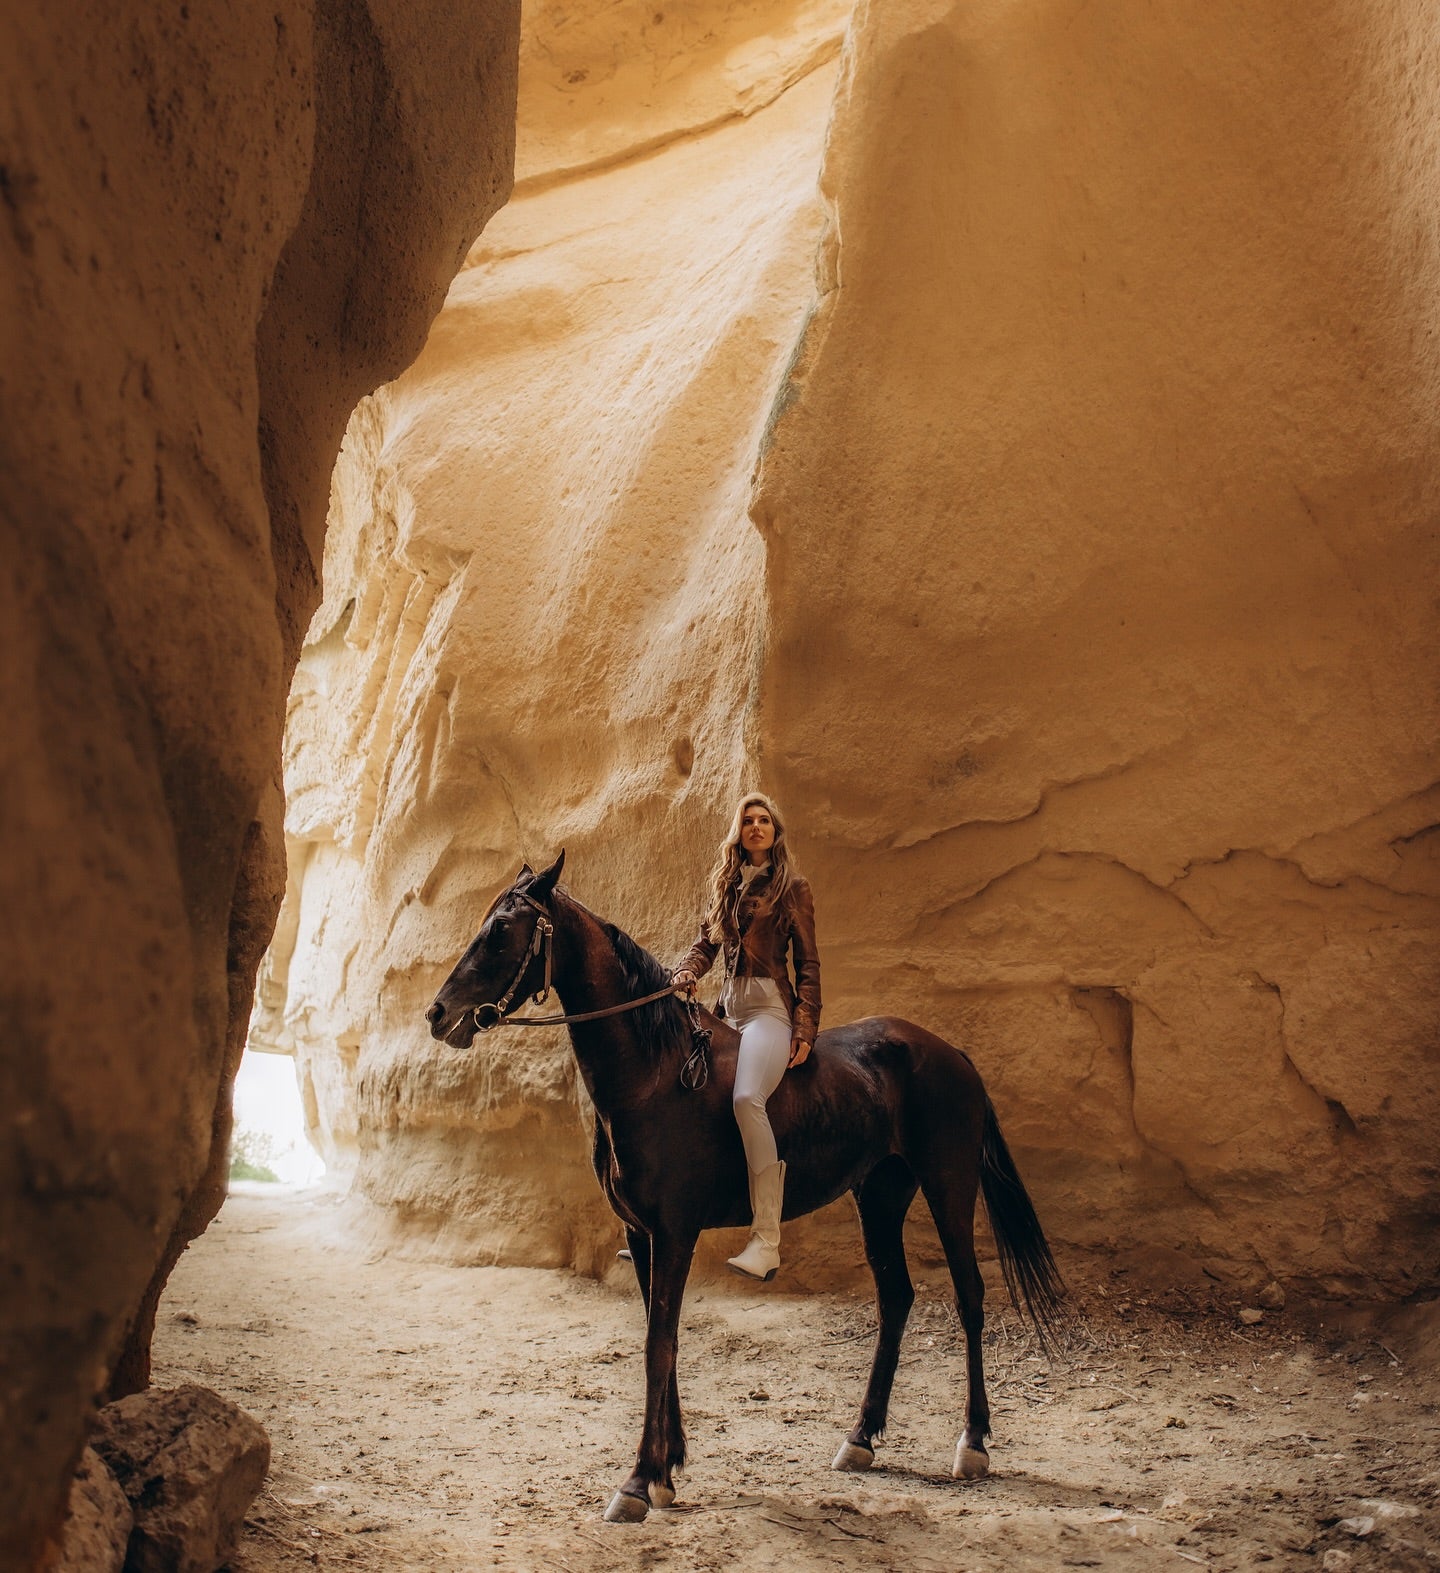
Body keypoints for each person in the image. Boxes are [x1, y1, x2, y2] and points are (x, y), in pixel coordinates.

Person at [671, 792, 821, 1280]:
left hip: (768, 1013)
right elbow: (704, 944)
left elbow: (809, 964)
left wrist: (805, 1024)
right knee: (684, 1099)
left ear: (775, 832)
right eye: (748, 821)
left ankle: (766, 1241)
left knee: (746, 1100)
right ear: (738, 833)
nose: (756, 827)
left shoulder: (791, 888)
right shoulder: (727, 889)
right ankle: (673, 1227)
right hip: (726, 1012)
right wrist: (686, 972)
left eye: (764, 820)